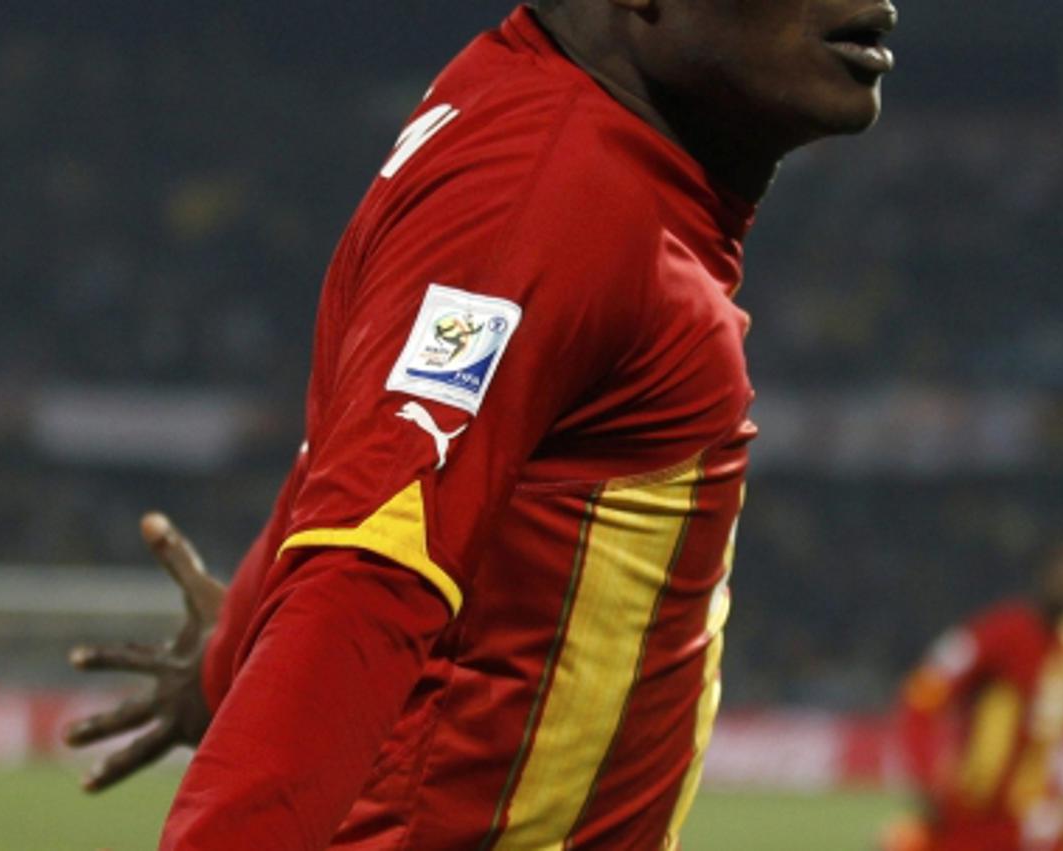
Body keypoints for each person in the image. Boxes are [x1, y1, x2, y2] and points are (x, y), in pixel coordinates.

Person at [65, 1, 899, 847]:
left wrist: (231, 648)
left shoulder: (548, 134)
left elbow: (386, 457)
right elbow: (367, 574)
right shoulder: (554, 194)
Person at [894, 535, 1063, 851]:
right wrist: (925, 774)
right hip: (978, 805)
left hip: (1037, 805)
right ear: (1046, 575)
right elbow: (924, 694)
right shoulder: (999, 632)